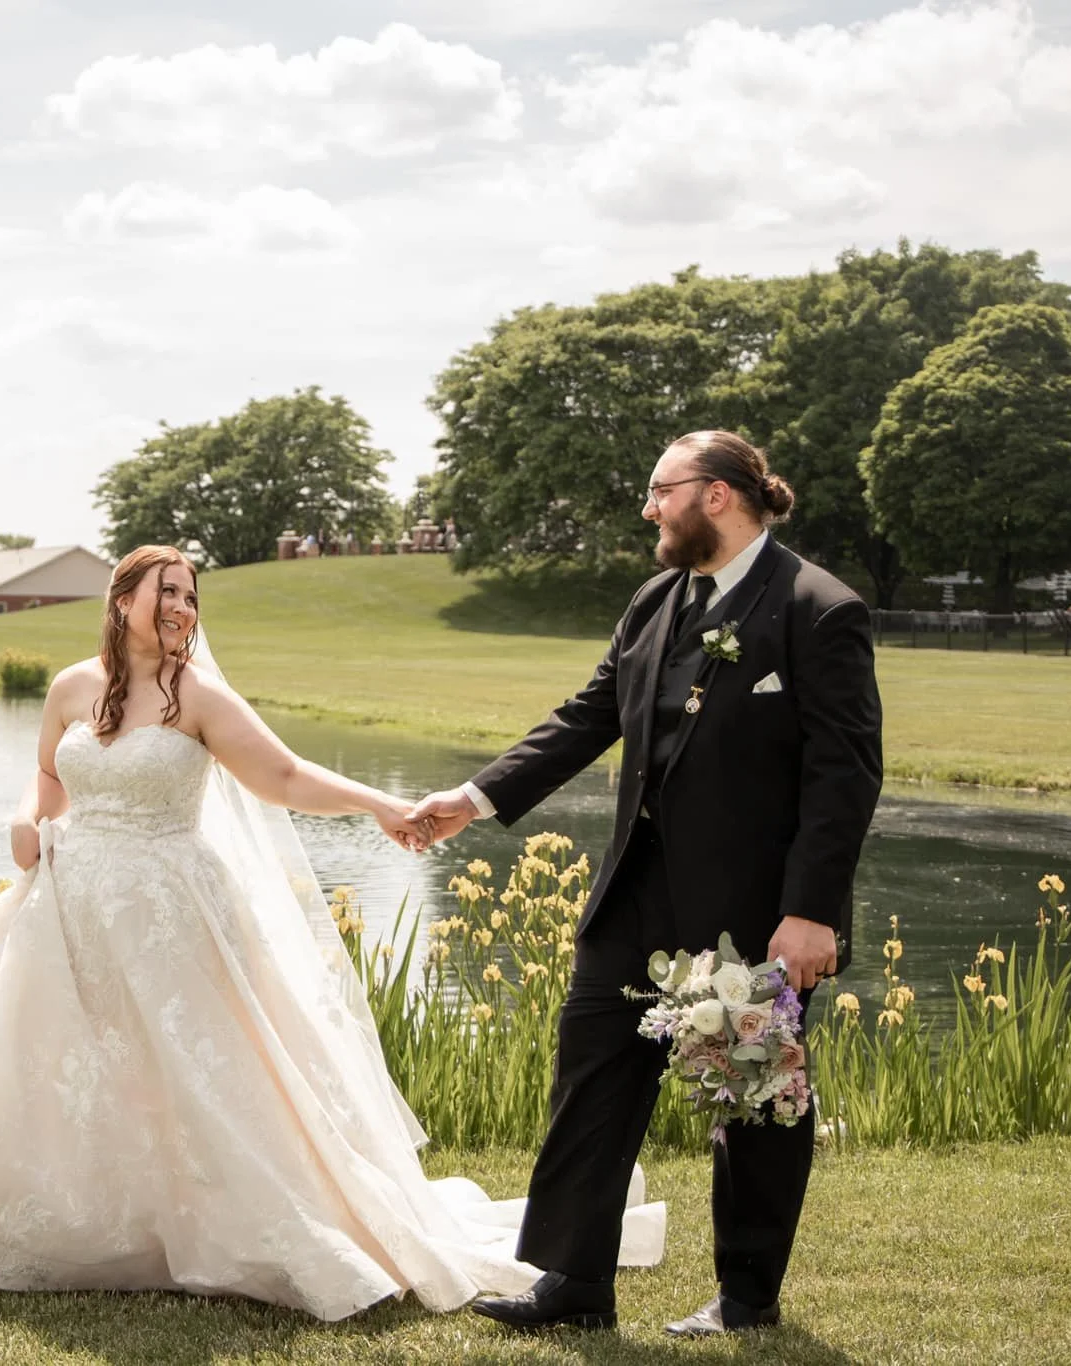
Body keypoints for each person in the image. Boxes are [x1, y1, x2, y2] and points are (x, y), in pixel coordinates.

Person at [0, 544, 665, 1320]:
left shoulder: (196, 695)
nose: (183, 608)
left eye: (192, 595)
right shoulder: (71, 687)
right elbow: (46, 775)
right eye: (168, 591)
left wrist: (381, 803)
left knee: (194, 1068)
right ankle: (82, 1229)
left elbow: (280, 774)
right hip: (71, 904)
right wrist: (23, 816)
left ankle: (241, 1226)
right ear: (122, 601)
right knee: (62, 1064)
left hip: (170, 910)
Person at [409, 430, 882, 1338]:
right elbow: (591, 714)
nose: (647, 509)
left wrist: (810, 913)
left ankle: (748, 1299)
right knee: (592, 1076)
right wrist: (475, 796)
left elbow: (845, 776)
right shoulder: (657, 598)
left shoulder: (818, 609)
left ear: (716, 496)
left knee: (754, 1101)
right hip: (635, 894)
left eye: (659, 491)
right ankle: (574, 1282)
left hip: (754, 915)